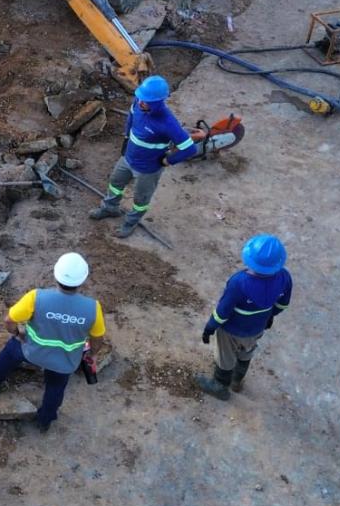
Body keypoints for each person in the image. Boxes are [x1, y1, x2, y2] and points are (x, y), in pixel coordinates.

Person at [0, 253, 103, 433]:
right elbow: (97, 338)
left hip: (33, 352)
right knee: (55, 388)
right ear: (82, 280)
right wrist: (92, 354)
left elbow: (9, 320)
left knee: (11, 350)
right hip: (65, 362)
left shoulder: (36, 297)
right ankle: (44, 420)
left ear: (55, 274)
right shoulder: (93, 308)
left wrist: (17, 334)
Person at [88, 74, 202, 238]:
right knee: (115, 183)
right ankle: (109, 208)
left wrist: (167, 160)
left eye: (146, 101)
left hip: (148, 170)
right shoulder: (138, 104)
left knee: (141, 199)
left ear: (157, 103)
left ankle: (130, 223)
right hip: (128, 159)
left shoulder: (168, 123)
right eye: (140, 98)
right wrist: (126, 138)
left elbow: (189, 149)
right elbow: (131, 118)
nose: (141, 102)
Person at [195, 234, 293, 401]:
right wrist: (270, 316)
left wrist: (210, 328)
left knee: (225, 357)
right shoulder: (284, 277)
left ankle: (220, 386)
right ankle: (237, 381)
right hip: (257, 328)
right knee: (247, 351)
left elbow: (222, 312)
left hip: (231, 330)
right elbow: (283, 304)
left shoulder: (238, 283)